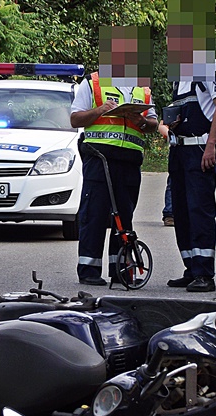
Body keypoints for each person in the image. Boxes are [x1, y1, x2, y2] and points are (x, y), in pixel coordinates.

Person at [70, 72, 158, 286]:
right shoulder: (93, 83)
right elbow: (75, 119)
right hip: (99, 157)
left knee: (124, 218)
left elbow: (153, 124)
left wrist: (142, 122)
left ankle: (120, 270)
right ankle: (89, 269)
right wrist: (99, 110)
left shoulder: (142, 88)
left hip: (129, 159)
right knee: (94, 214)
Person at [165, 61, 216, 292]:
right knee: (181, 212)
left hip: (201, 149)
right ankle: (191, 268)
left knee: (199, 210)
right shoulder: (179, 75)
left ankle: (204, 273)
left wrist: (211, 144)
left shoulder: (211, 67)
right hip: (179, 150)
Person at [157, 123, 174, 226]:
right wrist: (171, 135)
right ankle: (170, 214)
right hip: (179, 149)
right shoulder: (176, 106)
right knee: (173, 182)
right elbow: (162, 126)